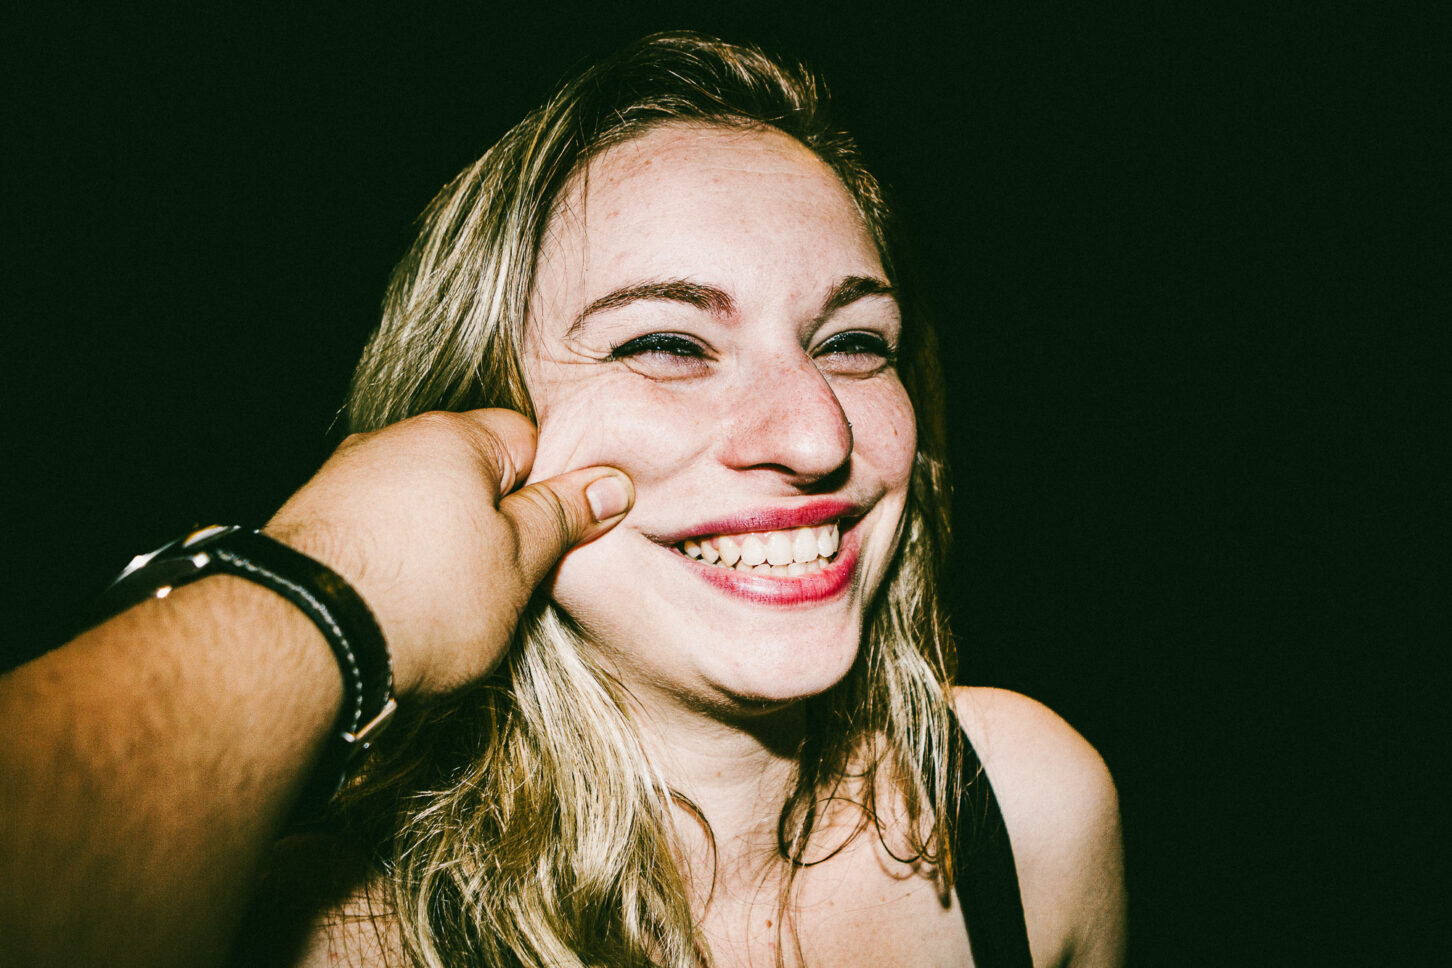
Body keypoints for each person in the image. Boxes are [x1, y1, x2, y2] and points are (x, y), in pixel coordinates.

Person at [0, 32, 1124, 968]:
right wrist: (330, 589)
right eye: (668, 343)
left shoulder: (1022, 810)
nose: (816, 435)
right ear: (472, 426)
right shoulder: (321, 935)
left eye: (852, 342)